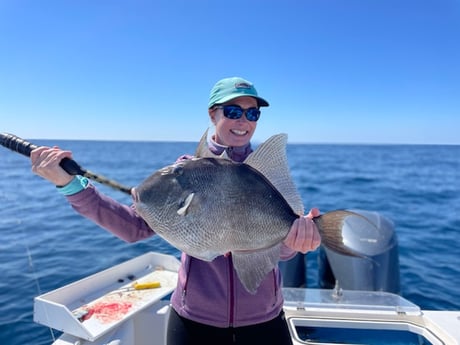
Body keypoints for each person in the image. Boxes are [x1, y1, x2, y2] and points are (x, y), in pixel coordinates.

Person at [30, 76, 321, 345]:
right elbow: (134, 226)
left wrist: (296, 241)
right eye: (233, 111)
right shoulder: (184, 172)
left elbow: (282, 247)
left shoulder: (264, 174)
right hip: (194, 321)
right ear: (213, 114)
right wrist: (71, 186)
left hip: (264, 319)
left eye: (252, 113)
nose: (243, 120)